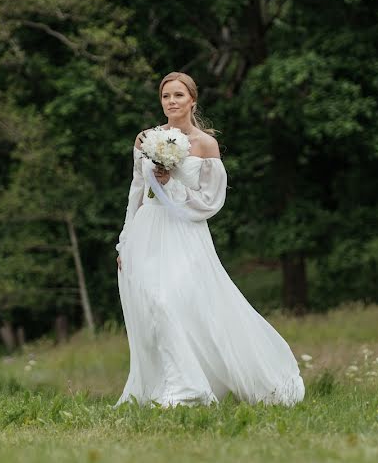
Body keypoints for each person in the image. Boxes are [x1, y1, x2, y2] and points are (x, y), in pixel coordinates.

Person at [114, 71, 305, 408]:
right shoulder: (145, 138)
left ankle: (190, 388)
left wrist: (171, 180)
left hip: (183, 233)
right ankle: (170, 384)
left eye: (178, 96)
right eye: (166, 96)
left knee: (171, 301)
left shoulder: (205, 144)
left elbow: (211, 199)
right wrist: (125, 239)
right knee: (151, 306)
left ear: (192, 101)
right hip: (147, 231)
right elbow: (135, 191)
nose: (171, 102)